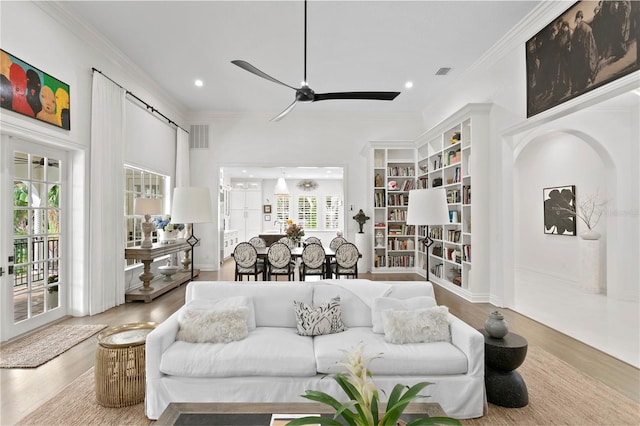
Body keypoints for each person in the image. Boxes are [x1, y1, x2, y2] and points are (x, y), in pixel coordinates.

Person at [571, 10, 599, 93]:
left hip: (587, 49)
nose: (576, 20)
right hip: (580, 52)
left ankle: (591, 78)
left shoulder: (586, 28)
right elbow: (574, 40)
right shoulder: (576, 29)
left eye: (577, 18)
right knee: (581, 66)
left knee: (588, 64)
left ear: (580, 18)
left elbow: (588, 41)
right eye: (576, 19)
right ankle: (584, 82)